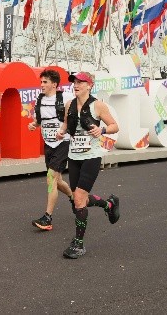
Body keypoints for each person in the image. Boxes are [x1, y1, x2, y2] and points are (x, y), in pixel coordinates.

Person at [55, 72, 120, 259]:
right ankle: (108, 204)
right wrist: (60, 133)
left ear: (89, 85)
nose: (76, 85)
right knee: (78, 200)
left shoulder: (97, 105)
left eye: (80, 82)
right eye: (74, 82)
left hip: (91, 156)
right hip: (74, 157)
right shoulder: (69, 105)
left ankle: (78, 243)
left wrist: (103, 129)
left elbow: (115, 126)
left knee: (78, 200)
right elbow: (66, 126)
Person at [28, 69, 75, 231]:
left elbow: (74, 116)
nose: (42, 85)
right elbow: (39, 120)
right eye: (41, 82)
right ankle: (74, 199)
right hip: (48, 144)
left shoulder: (66, 98)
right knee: (58, 180)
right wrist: (34, 124)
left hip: (63, 143)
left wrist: (65, 130)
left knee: (50, 177)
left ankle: (47, 217)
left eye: (45, 82)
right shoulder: (39, 99)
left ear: (54, 84)